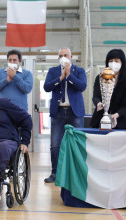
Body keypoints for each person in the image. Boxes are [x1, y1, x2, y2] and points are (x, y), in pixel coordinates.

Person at [43, 47, 87, 183]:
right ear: (58, 58)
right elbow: (46, 87)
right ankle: (55, 173)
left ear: (71, 57)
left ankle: (78, 172)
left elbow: (82, 86)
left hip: (75, 112)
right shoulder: (53, 71)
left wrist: (69, 76)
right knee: (55, 144)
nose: (63, 57)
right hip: (58, 112)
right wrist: (61, 77)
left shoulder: (79, 71)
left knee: (77, 144)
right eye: (61, 55)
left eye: (66, 55)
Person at [89, 49, 126, 129]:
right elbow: (95, 96)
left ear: (122, 63)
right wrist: (98, 103)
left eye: (116, 61)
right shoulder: (100, 77)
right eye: (111, 60)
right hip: (99, 120)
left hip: (119, 123)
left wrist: (115, 115)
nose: (113, 63)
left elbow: (125, 106)